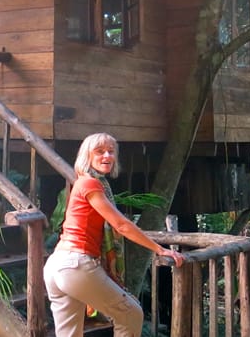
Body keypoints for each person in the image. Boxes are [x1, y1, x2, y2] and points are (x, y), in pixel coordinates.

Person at [43, 132, 185, 337]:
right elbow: (121, 225)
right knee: (131, 314)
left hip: (57, 266)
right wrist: (159, 249)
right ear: (87, 157)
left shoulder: (82, 183)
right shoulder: (90, 183)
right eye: (99, 152)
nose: (107, 156)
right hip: (75, 264)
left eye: (111, 151)